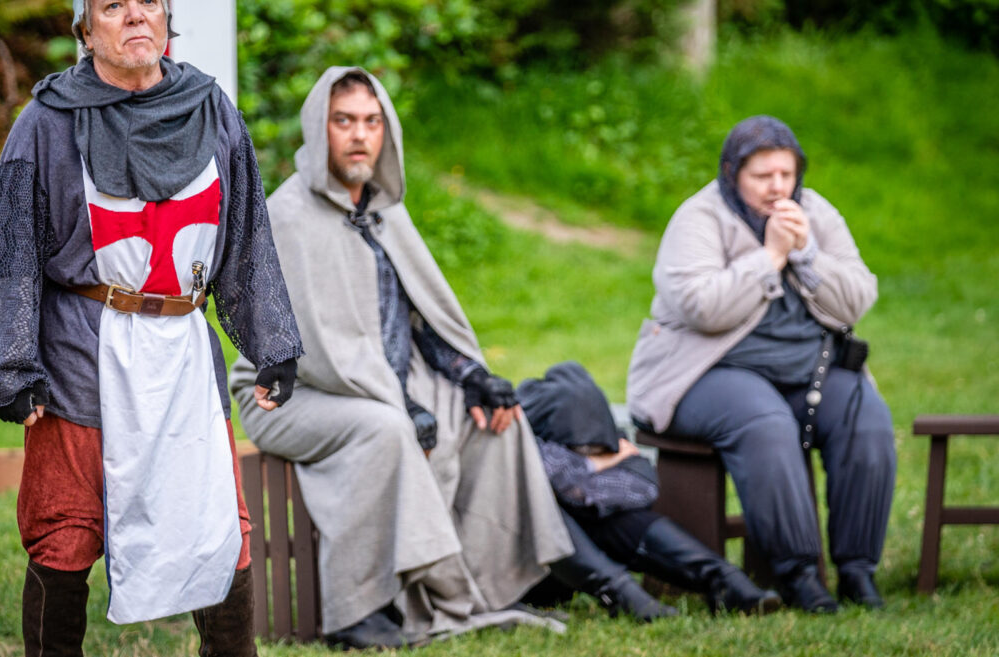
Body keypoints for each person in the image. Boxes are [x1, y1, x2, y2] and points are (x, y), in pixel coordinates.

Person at [0, 0, 304, 657]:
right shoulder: (48, 122)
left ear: (167, 16)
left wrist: (273, 342)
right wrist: (12, 367)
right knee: (67, 527)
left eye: (147, 1)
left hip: (183, 355)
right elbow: (12, 255)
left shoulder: (211, 109)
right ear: (86, 28)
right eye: (114, 5)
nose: (135, 17)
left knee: (218, 525)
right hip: (81, 353)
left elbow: (246, 236)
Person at [229, 67, 574, 649]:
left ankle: (493, 582)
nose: (359, 135)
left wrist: (474, 379)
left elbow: (422, 317)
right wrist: (405, 404)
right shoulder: (289, 214)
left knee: (494, 422)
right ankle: (358, 610)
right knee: (386, 429)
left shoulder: (386, 211)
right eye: (344, 121)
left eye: (371, 121)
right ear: (320, 128)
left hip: (382, 383)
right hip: (291, 397)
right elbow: (318, 356)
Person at [626, 115, 896, 613]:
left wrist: (808, 253)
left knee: (866, 416)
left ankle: (858, 571)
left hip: (805, 371)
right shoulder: (699, 218)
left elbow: (857, 299)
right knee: (762, 420)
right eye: (762, 177)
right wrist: (770, 257)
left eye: (786, 175)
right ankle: (798, 575)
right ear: (732, 173)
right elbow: (701, 309)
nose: (778, 188)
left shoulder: (814, 212)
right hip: (704, 374)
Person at [517, 362, 782, 621]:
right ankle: (621, 593)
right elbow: (548, 478)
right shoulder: (519, 445)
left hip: (574, 566)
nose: (594, 453)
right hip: (525, 580)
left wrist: (579, 478)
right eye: (582, 450)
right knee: (546, 502)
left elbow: (643, 487)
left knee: (616, 517)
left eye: (596, 450)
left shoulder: (603, 433)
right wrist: (596, 465)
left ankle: (723, 580)